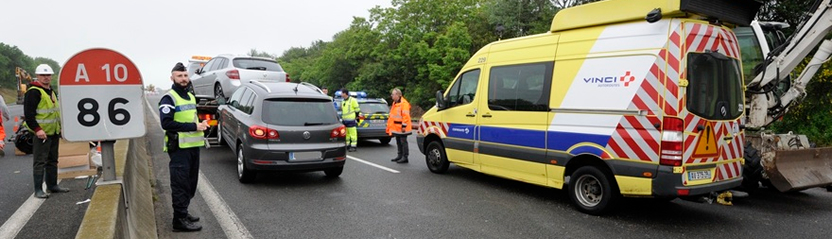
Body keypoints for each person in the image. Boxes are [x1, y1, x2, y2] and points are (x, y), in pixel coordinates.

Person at [159, 62, 210, 232]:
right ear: (172, 77)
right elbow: (167, 123)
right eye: (179, 76)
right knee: (180, 184)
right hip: (179, 148)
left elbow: (190, 119)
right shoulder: (169, 98)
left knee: (190, 183)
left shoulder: (190, 96)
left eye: (185, 75)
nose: (183, 79)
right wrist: (194, 127)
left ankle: (184, 211)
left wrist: (200, 124)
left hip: (193, 146)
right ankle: (179, 220)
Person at [24, 64, 67, 198]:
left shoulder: (51, 91)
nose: (46, 77)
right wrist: (37, 130)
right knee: (40, 162)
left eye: (48, 75)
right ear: (37, 76)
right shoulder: (34, 92)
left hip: (53, 132)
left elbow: (54, 113)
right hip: (41, 134)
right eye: (43, 75)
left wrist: (59, 128)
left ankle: (52, 185)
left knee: (52, 160)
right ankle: (38, 190)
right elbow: (29, 115)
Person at [387, 88, 412, 163]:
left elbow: (406, 116)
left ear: (397, 95)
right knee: (398, 141)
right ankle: (399, 155)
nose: (391, 96)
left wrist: (404, 126)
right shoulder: (395, 103)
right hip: (396, 127)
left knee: (403, 142)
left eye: (393, 94)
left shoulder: (404, 104)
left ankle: (405, 157)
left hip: (402, 127)